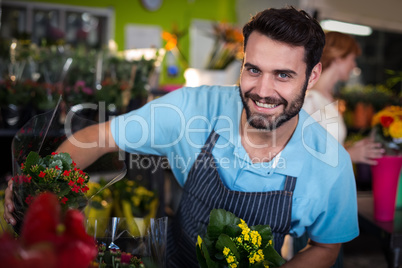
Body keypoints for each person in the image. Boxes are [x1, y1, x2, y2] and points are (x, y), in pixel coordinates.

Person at [4, 6, 359, 267]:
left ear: (312, 77)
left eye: (283, 75)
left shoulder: (329, 163)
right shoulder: (191, 108)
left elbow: (326, 246)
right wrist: (38, 191)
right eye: (253, 69)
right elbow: (97, 137)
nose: (262, 91)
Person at [302, 31, 384, 165]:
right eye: (352, 59)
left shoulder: (328, 98)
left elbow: (325, 147)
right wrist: (350, 155)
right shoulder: (310, 99)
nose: (354, 65)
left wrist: (351, 147)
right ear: (338, 57)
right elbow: (302, 154)